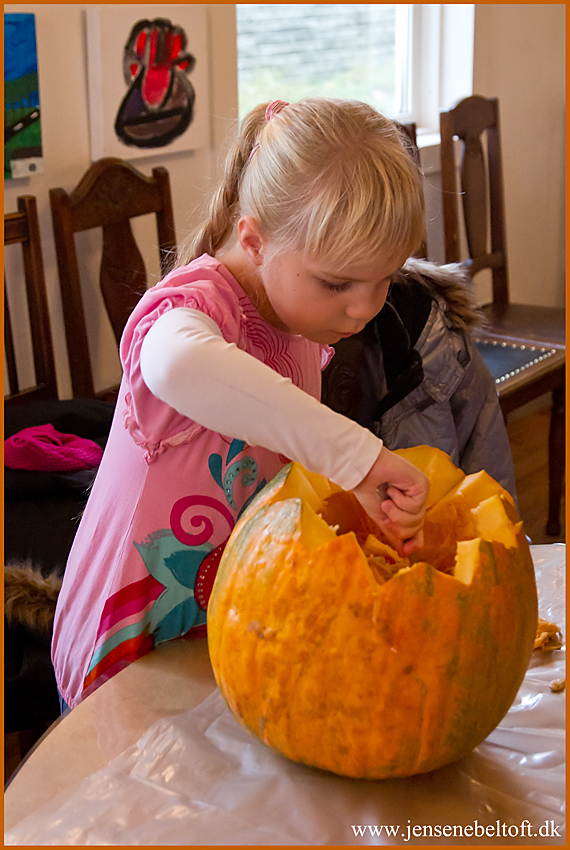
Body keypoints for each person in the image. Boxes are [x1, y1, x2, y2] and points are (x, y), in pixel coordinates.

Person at [52, 98, 430, 710]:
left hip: (223, 628)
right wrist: (356, 458)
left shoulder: (297, 319)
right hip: (128, 642)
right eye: (336, 284)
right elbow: (178, 363)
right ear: (253, 240)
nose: (364, 309)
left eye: (383, 278)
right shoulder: (190, 313)